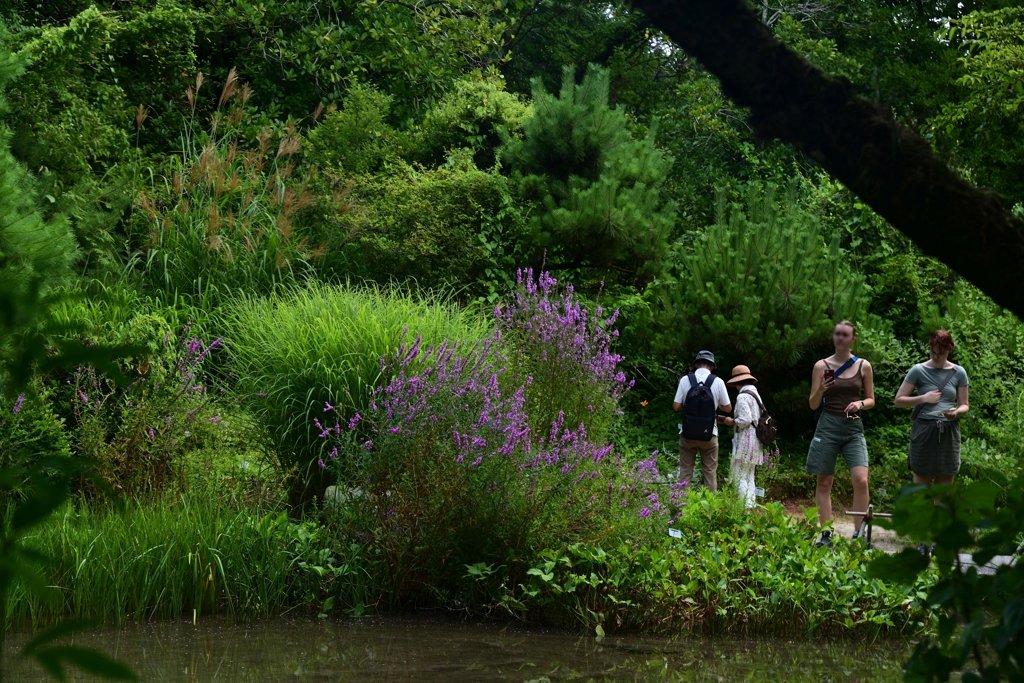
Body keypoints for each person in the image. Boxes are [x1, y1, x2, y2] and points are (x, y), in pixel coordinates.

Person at [806, 321, 875, 548]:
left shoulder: (864, 365)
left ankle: (859, 534)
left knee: (862, 481)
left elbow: (871, 400)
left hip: (853, 428)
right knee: (824, 482)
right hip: (828, 426)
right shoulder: (821, 366)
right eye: (837, 334)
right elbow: (813, 405)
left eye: (845, 335)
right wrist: (823, 389)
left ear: (853, 338)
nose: (840, 338)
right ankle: (826, 536)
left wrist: (860, 403)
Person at [894, 329, 969, 486]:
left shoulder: (959, 372)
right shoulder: (918, 370)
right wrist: (923, 398)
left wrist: (955, 413)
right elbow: (898, 401)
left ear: (950, 349)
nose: (936, 356)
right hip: (924, 430)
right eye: (933, 352)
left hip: (948, 431)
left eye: (940, 353)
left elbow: (964, 405)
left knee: (943, 493)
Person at [673, 350, 732, 492]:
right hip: (710, 434)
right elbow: (728, 408)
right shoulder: (717, 382)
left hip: (687, 433)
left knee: (685, 471)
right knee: (710, 472)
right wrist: (716, 403)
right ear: (712, 366)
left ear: (695, 365)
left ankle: (682, 508)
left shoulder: (685, 380)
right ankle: (709, 509)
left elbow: (676, 407)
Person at [721, 365, 764, 509]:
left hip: (746, 440)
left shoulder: (742, 396)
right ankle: (750, 507)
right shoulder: (755, 394)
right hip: (756, 440)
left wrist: (731, 421)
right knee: (749, 475)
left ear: (737, 382)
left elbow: (745, 419)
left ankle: (743, 508)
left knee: (739, 476)